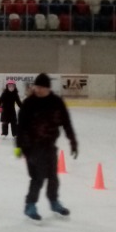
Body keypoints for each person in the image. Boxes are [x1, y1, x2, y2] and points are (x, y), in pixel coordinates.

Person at [15, 73, 78, 222]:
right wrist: (18, 146)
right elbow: (21, 126)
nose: (38, 90)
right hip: (32, 146)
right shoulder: (29, 103)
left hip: (49, 145)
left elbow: (66, 122)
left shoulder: (56, 102)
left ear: (48, 88)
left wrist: (72, 141)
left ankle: (54, 201)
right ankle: (30, 205)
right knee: (38, 176)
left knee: (53, 176)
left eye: (41, 87)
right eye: (36, 86)